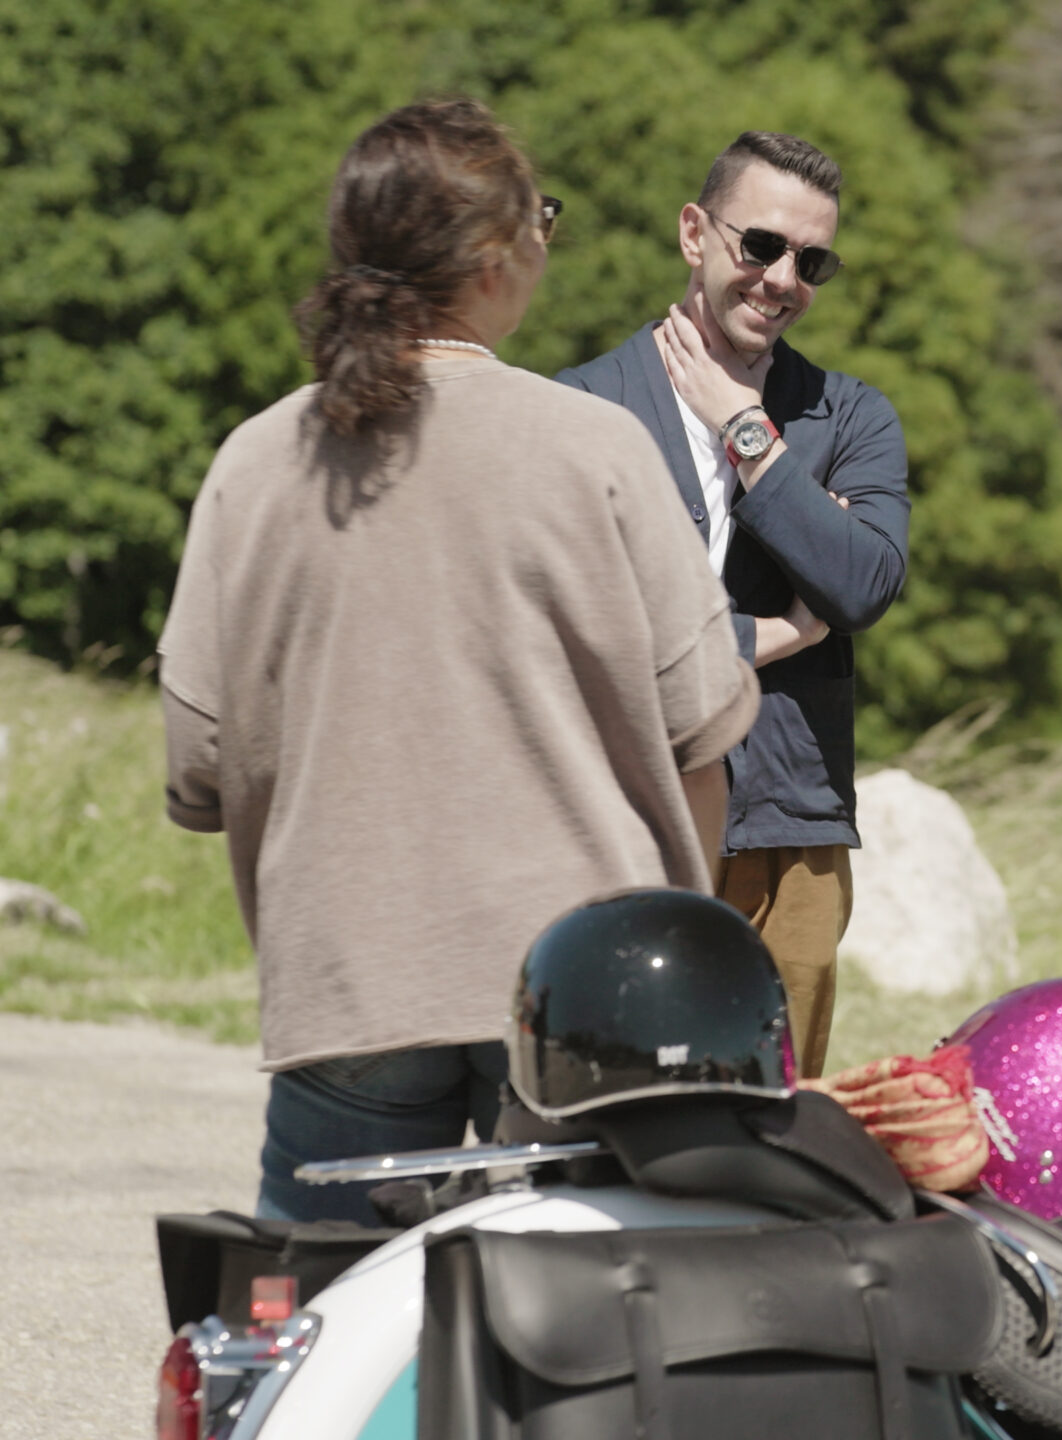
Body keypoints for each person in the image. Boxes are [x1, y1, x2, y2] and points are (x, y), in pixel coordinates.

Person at [158, 99, 759, 1222]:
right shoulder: (596, 449)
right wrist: (682, 930)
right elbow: (704, 731)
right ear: (493, 259)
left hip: (348, 979)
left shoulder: (255, 463)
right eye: (542, 218)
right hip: (590, 992)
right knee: (582, 1359)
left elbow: (198, 759)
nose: (547, 240)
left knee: (326, 1358)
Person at [558, 132, 910, 1081]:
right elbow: (593, 634)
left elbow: (866, 585)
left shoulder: (853, 417)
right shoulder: (582, 409)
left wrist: (748, 436)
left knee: (776, 1113)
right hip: (626, 810)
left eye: (812, 261)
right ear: (694, 234)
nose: (782, 278)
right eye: (760, 245)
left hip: (793, 825)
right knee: (616, 1095)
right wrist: (787, 628)